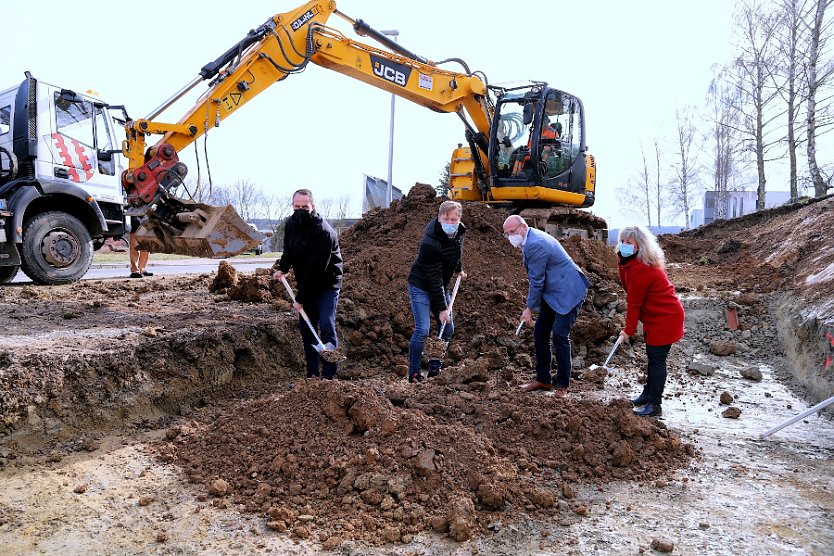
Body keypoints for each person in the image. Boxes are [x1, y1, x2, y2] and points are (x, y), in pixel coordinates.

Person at [504, 215, 590, 398]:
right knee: (540, 331)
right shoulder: (528, 240)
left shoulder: (536, 244)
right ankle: (543, 379)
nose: (511, 236)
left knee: (559, 334)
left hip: (569, 290)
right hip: (552, 291)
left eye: (512, 232)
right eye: (507, 234)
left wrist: (529, 309)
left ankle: (562, 385)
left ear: (523, 227)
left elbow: (536, 281)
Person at [273, 189, 343, 379]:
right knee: (307, 328)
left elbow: (317, 271)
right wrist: (283, 268)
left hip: (327, 283)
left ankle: (329, 378)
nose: (301, 210)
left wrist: (300, 299)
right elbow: (289, 250)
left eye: (305, 206)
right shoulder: (291, 224)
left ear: (313, 206)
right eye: (297, 207)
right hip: (307, 281)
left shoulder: (323, 232)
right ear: (292, 206)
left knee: (326, 326)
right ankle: (312, 375)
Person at [616, 226, 685, 417]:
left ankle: (655, 404)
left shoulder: (641, 268)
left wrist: (628, 330)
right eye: (622, 242)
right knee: (653, 358)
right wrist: (621, 261)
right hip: (655, 316)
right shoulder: (630, 263)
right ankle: (647, 395)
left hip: (665, 318)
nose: (624, 246)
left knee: (657, 361)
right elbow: (628, 289)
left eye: (629, 243)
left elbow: (634, 301)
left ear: (640, 246)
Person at [407, 200, 466, 383]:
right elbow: (434, 279)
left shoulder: (459, 231)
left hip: (441, 283)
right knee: (422, 329)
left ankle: (434, 370)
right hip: (422, 286)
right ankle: (415, 372)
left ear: (459, 219)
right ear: (439, 217)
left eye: (454, 219)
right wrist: (442, 309)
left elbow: (455, 252)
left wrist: (458, 269)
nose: (450, 222)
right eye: (446, 218)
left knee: (447, 327)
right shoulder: (429, 243)